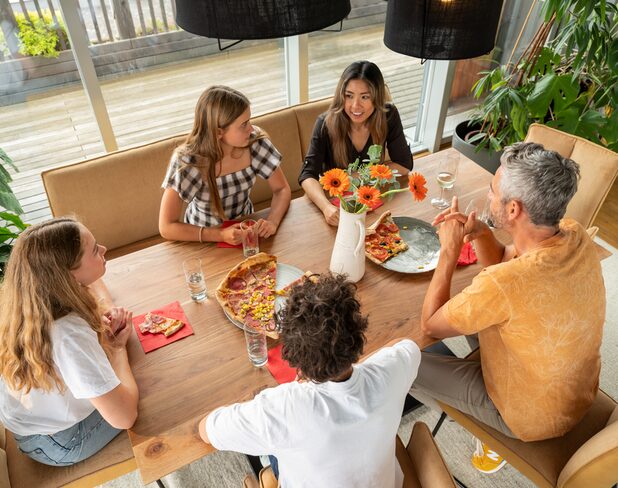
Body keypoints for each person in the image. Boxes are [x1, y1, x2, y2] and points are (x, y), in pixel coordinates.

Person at [411, 142, 605, 473]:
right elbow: (502, 260)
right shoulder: (574, 234)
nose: (488, 197)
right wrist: (481, 231)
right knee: (488, 312)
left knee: (393, 363)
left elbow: (430, 325)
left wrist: (449, 250)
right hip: (575, 392)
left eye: (492, 191)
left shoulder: (505, 284)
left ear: (513, 209)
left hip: (529, 418)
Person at [198, 273, 420, 487]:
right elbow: (405, 344)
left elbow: (206, 429)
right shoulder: (393, 371)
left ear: (293, 357)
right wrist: (350, 365)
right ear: (359, 334)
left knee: (277, 445)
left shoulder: (280, 408)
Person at [0, 217, 139, 466]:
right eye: (94, 251)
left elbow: (93, 282)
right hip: (59, 441)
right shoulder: (68, 334)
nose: (103, 250)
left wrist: (107, 312)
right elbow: (124, 417)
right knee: (150, 386)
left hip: (29, 418)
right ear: (67, 275)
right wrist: (117, 349)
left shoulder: (33, 297)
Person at [159, 85, 291, 245]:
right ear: (218, 132)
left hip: (246, 232)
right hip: (202, 239)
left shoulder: (256, 143)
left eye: (249, 120)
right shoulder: (188, 160)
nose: (251, 128)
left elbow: (281, 189)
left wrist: (273, 222)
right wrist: (220, 235)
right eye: (243, 124)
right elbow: (166, 226)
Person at [299, 61, 413, 226]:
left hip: (372, 201)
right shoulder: (325, 123)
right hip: (335, 206)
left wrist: (358, 177)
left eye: (365, 97)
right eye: (349, 95)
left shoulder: (389, 116)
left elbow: (404, 166)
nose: (355, 106)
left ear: (377, 97)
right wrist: (325, 208)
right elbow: (307, 175)